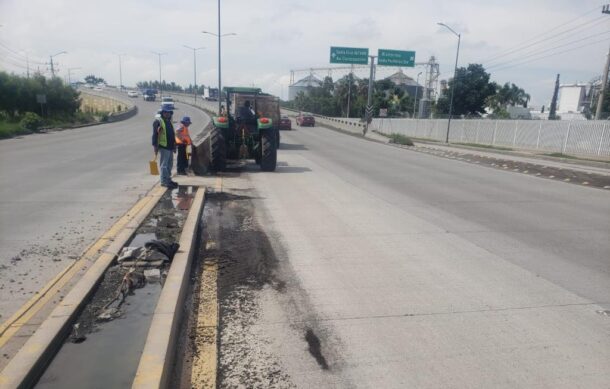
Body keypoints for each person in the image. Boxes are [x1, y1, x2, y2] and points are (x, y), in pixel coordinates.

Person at [152, 107, 178, 189]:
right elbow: (155, 135)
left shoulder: (169, 122)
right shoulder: (158, 122)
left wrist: (174, 146)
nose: (168, 114)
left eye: (169, 112)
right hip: (164, 147)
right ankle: (164, 181)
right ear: (162, 113)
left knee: (169, 164)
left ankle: (168, 180)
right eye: (166, 112)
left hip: (170, 146)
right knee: (164, 165)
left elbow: (172, 135)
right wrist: (155, 146)